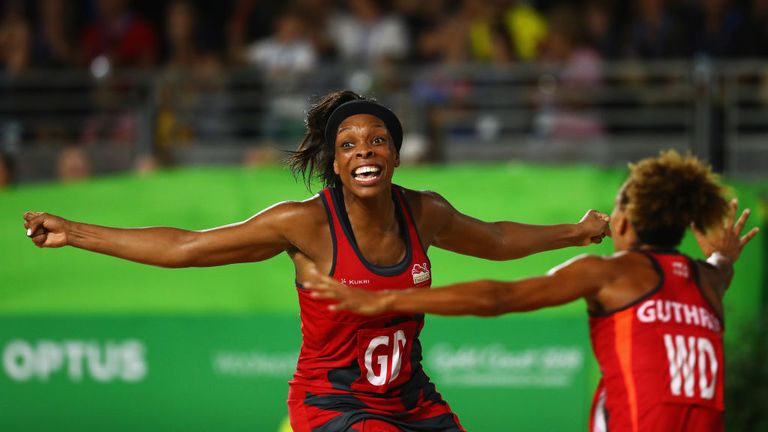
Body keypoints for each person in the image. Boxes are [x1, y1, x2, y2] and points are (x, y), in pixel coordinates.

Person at [23, 90, 610, 431]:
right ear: (334, 162)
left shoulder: (424, 212)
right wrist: (74, 231)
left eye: (376, 140)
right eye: (349, 145)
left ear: (397, 155)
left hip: (410, 398)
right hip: (336, 403)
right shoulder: (303, 223)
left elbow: (498, 240)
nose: (364, 152)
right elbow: (187, 247)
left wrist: (577, 232)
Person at [305, 150, 760, 432]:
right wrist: (725, 255)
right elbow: (720, 268)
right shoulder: (707, 281)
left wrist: (384, 299)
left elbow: (498, 297)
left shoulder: (612, 274)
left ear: (622, 221)